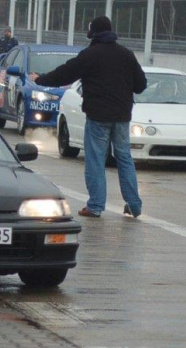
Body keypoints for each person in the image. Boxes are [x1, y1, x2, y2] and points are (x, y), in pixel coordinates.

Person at [29, 16, 146, 218]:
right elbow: (141, 85)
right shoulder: (126, 54)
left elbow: (65, 74)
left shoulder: (90, 55)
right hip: (122, 117)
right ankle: (134, 205)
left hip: (98, 115)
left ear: (93, 33)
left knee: (95, 160)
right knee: (124, 157)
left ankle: (95, 206)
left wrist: (40, 79)